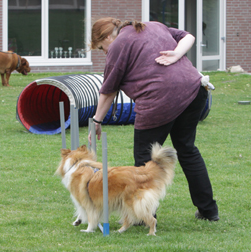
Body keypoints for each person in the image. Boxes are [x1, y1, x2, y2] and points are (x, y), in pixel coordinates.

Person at [88, 17, 219, 221]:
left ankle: (145, 215)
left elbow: (108, 90)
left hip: (160, 98)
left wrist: (96, 121)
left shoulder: (117, 46)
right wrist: (178, 53)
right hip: (195, 90)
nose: (104, 52)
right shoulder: (155, 25)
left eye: (100, 47)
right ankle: (209, 212)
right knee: (187, 149)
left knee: (143, 159)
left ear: (106, 37)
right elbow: (189, 36)